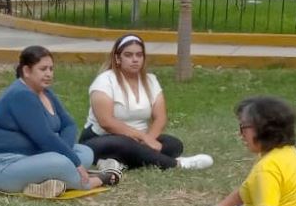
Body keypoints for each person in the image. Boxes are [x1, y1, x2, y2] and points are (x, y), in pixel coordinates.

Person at [0, 46, 121, 198]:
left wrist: (67, 154)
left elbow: (68, 124)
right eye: (43, 69)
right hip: (7, 167)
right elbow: (45, 138)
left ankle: (47, 183)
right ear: (26, 71)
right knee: (61, 162)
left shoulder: (45, 92)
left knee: (85, 152)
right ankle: (95, 180)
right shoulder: (20, 95)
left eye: (51, 69)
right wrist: (73, 161)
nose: (49, 74)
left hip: (38, 157)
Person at [80, 34, 213, 171]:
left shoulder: (151, 80)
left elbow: (160, 117)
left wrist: (149, 138)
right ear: (117, 58)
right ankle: (178, 164)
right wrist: (143, 138)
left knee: (173, 144)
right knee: (125, 144)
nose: (135, 59)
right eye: (128, 55)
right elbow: (106, 122)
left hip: (139, 140)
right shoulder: (105, 81)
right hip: (102, 139)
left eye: (139, 55)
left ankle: (118, 162)